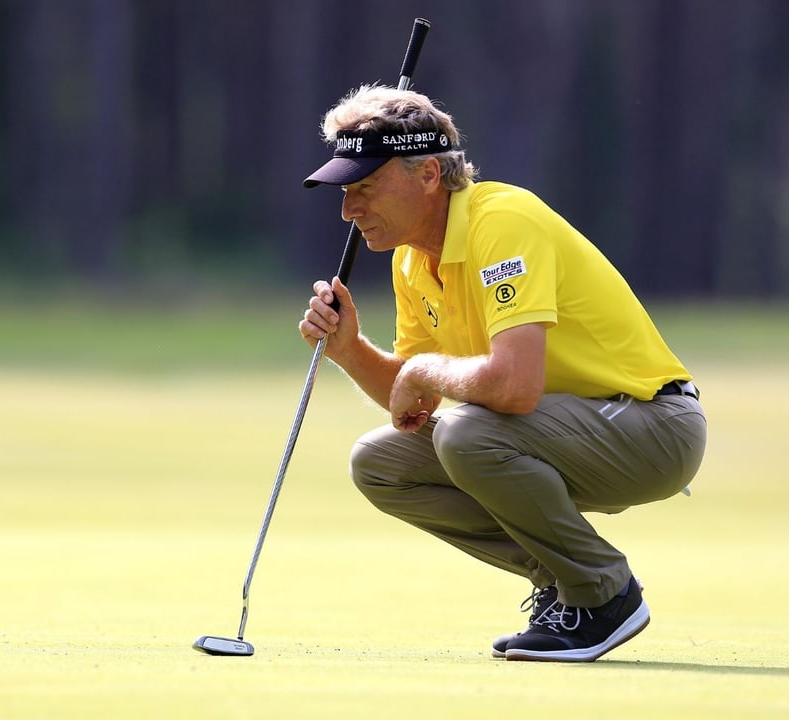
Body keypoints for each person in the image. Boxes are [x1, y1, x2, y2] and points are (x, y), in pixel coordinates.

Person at [298, 84, 707, 662]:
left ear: (428, 176)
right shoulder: (413, 259)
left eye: (365, 187)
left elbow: (513, 388)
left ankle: (604, 594)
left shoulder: (503, 220)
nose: (349, 209)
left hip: (651, 425)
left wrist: (425, 369)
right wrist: (349, 349)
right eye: (346, 191)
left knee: (469, 434)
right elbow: (413, 402)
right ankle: (565, 583)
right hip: (558, 434)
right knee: (380, 462)